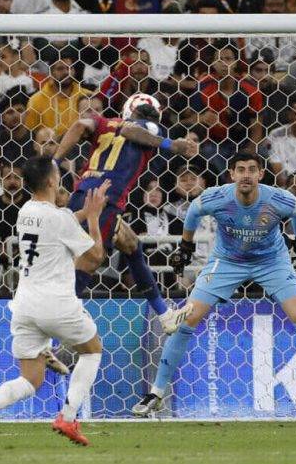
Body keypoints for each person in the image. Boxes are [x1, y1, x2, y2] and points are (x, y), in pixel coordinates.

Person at [132, 151, 296, 417]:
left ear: (261, 174)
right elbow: (194, 210)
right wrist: (185, 246)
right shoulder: (218, 197)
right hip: (227, 262)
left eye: (252, 169)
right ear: (231, 174)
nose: (246, 175)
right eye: (240, 169)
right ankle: (156, 393)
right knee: (186, 320)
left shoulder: (276, 199)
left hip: (271, 261)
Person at [0, 156, 110, 448]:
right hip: (56, 304)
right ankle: (68, 417)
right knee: (92, 351)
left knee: (30, 379)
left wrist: (84, 212)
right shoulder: (59, 218)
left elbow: (60, 224)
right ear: (52, 180)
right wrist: (94, 218)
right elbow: (95, 258)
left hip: (25, 306)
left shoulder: (26, 211)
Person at [54, 94, 197, 325]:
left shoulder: (103, 122)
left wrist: (55, 161)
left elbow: (79, 125)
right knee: (90, 261)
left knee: (132, 245)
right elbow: (130, 131)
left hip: (81, 194)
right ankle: (58, 326)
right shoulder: (149, 126)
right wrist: (171, 144)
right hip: (105, 200)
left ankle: (165, 315)